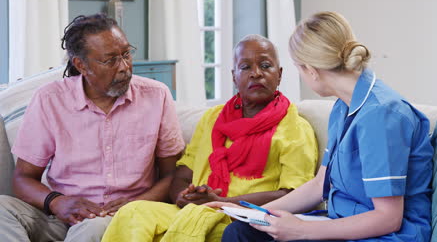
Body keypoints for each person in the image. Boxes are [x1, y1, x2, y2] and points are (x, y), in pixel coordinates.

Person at [208, 12, 433, 242]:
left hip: (385, 235)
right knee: (242, 232)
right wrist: (253, 214)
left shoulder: (381, 115)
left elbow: (388, 218)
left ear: (311, 70)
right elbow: (318, 185)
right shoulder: (343, 107)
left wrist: (300, 230)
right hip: (340, 223)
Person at [101, 34, 319, 242]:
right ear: (234, 76)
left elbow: (293, 195)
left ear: (279, 74)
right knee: (133, 212)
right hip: (197, 210)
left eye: (265, 66)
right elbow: (183, 175)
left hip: (242, 219)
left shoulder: (295, 128)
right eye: (245, 67)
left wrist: (223, 203)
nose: (256, 73)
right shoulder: (213, 118)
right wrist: (183, 197)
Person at [0, 13, 185, 242]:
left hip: (122, 218)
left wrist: (135, 205)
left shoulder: (156, 96)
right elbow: (23, 178)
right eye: (110, 60)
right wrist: (57, 202)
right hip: (60, 216)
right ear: (81, 65)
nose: (124, 67)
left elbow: (173, 174)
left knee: (93, 228)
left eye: (126, 54)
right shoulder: (50, 99)